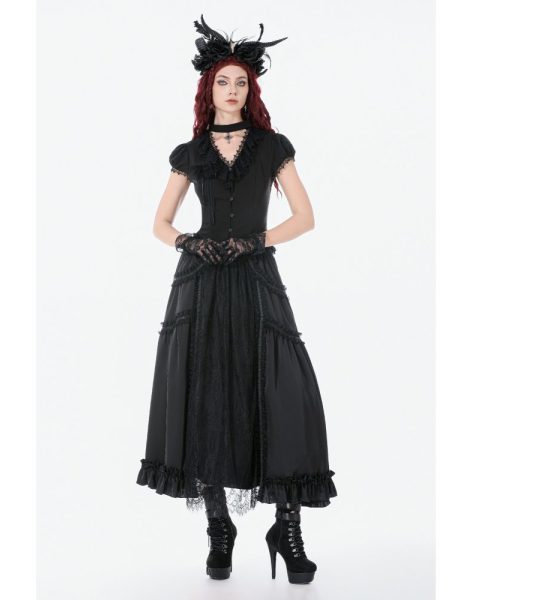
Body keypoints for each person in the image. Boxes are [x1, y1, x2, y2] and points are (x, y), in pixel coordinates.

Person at [136, 15, 337, 584]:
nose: (232, 90)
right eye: (223, 82)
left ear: (252, 90)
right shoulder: (191, 152)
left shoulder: (273, 147)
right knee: (205, 391)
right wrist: (190, 242)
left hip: (255, 279)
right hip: (199, 284)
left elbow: (305, 217)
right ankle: (218, 528)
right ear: (209, 89)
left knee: (280, 391)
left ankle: (287, 530)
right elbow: (159, 222)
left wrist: (254, 241)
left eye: (241, 82)